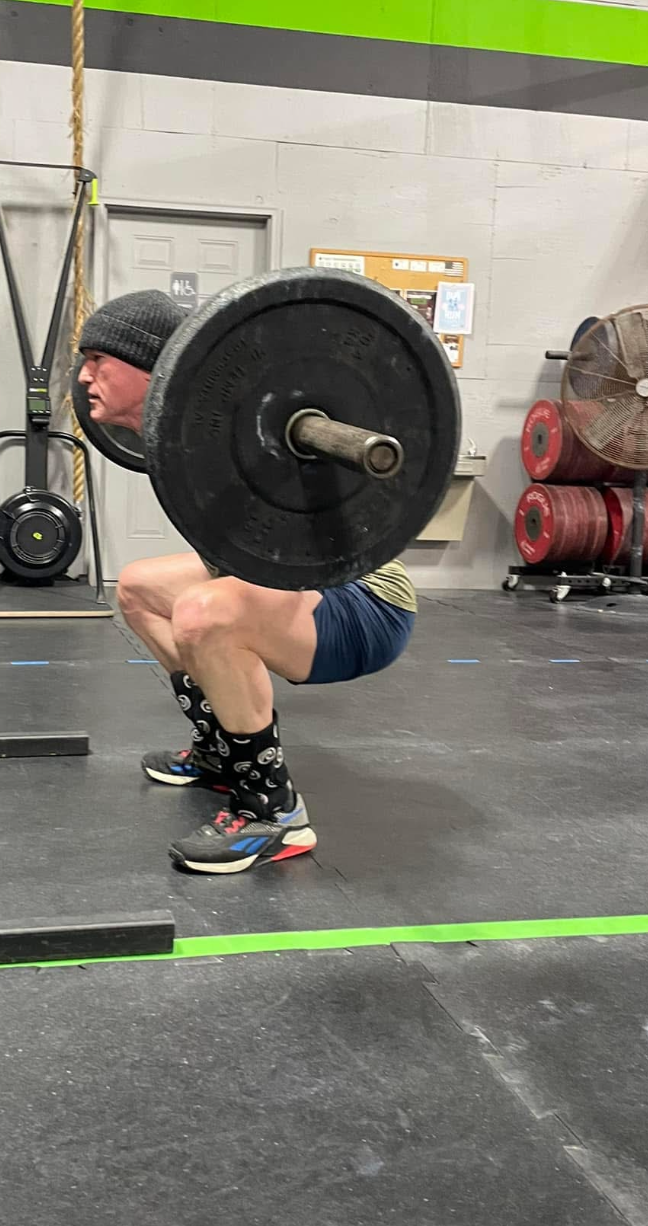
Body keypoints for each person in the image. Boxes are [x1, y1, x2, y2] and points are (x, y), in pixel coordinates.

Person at [76, 289, 417, 875]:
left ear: (149, 368)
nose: (83, 376)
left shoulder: (243, 427)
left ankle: (274, 811)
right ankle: (220, 751)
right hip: (297, 588)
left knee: (203, 612)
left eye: (97, 360)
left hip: (363, 603)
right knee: (138, 587)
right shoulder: (181, 436)